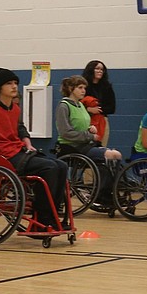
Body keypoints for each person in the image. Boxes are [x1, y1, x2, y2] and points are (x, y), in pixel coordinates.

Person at [0, 68, 69, 229]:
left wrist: (27, 142)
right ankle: (42, 219)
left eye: (15, 83)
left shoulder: (15, 108)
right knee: (49, 168)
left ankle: (51, 215)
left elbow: (19, 129)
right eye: (9, 83)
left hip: (15, 151)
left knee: (62, 166)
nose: (14, 86)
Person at [55, 75, 122, 207]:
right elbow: (66, 133)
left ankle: (110, 192)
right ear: (70, 88)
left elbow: (81, 126)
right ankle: (102, 195)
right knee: (110, 155)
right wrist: (89, 136)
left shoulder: (80, 105)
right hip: (70, 146)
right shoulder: (64, 106)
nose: (83, 90)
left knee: (116, 155)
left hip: (85, 144)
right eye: (80, 87)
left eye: (84, 88)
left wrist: (90, 128)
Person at [82, 60, 115, 146]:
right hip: (85, 120)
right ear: (91, 69)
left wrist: (98, 110)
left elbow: (112, 108)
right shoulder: (83, 86)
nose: (100, 71)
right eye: (97, 68)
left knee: (102, 145)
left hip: (102, 120)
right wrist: (88, 109)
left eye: (102, 69)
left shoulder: (107, 86)